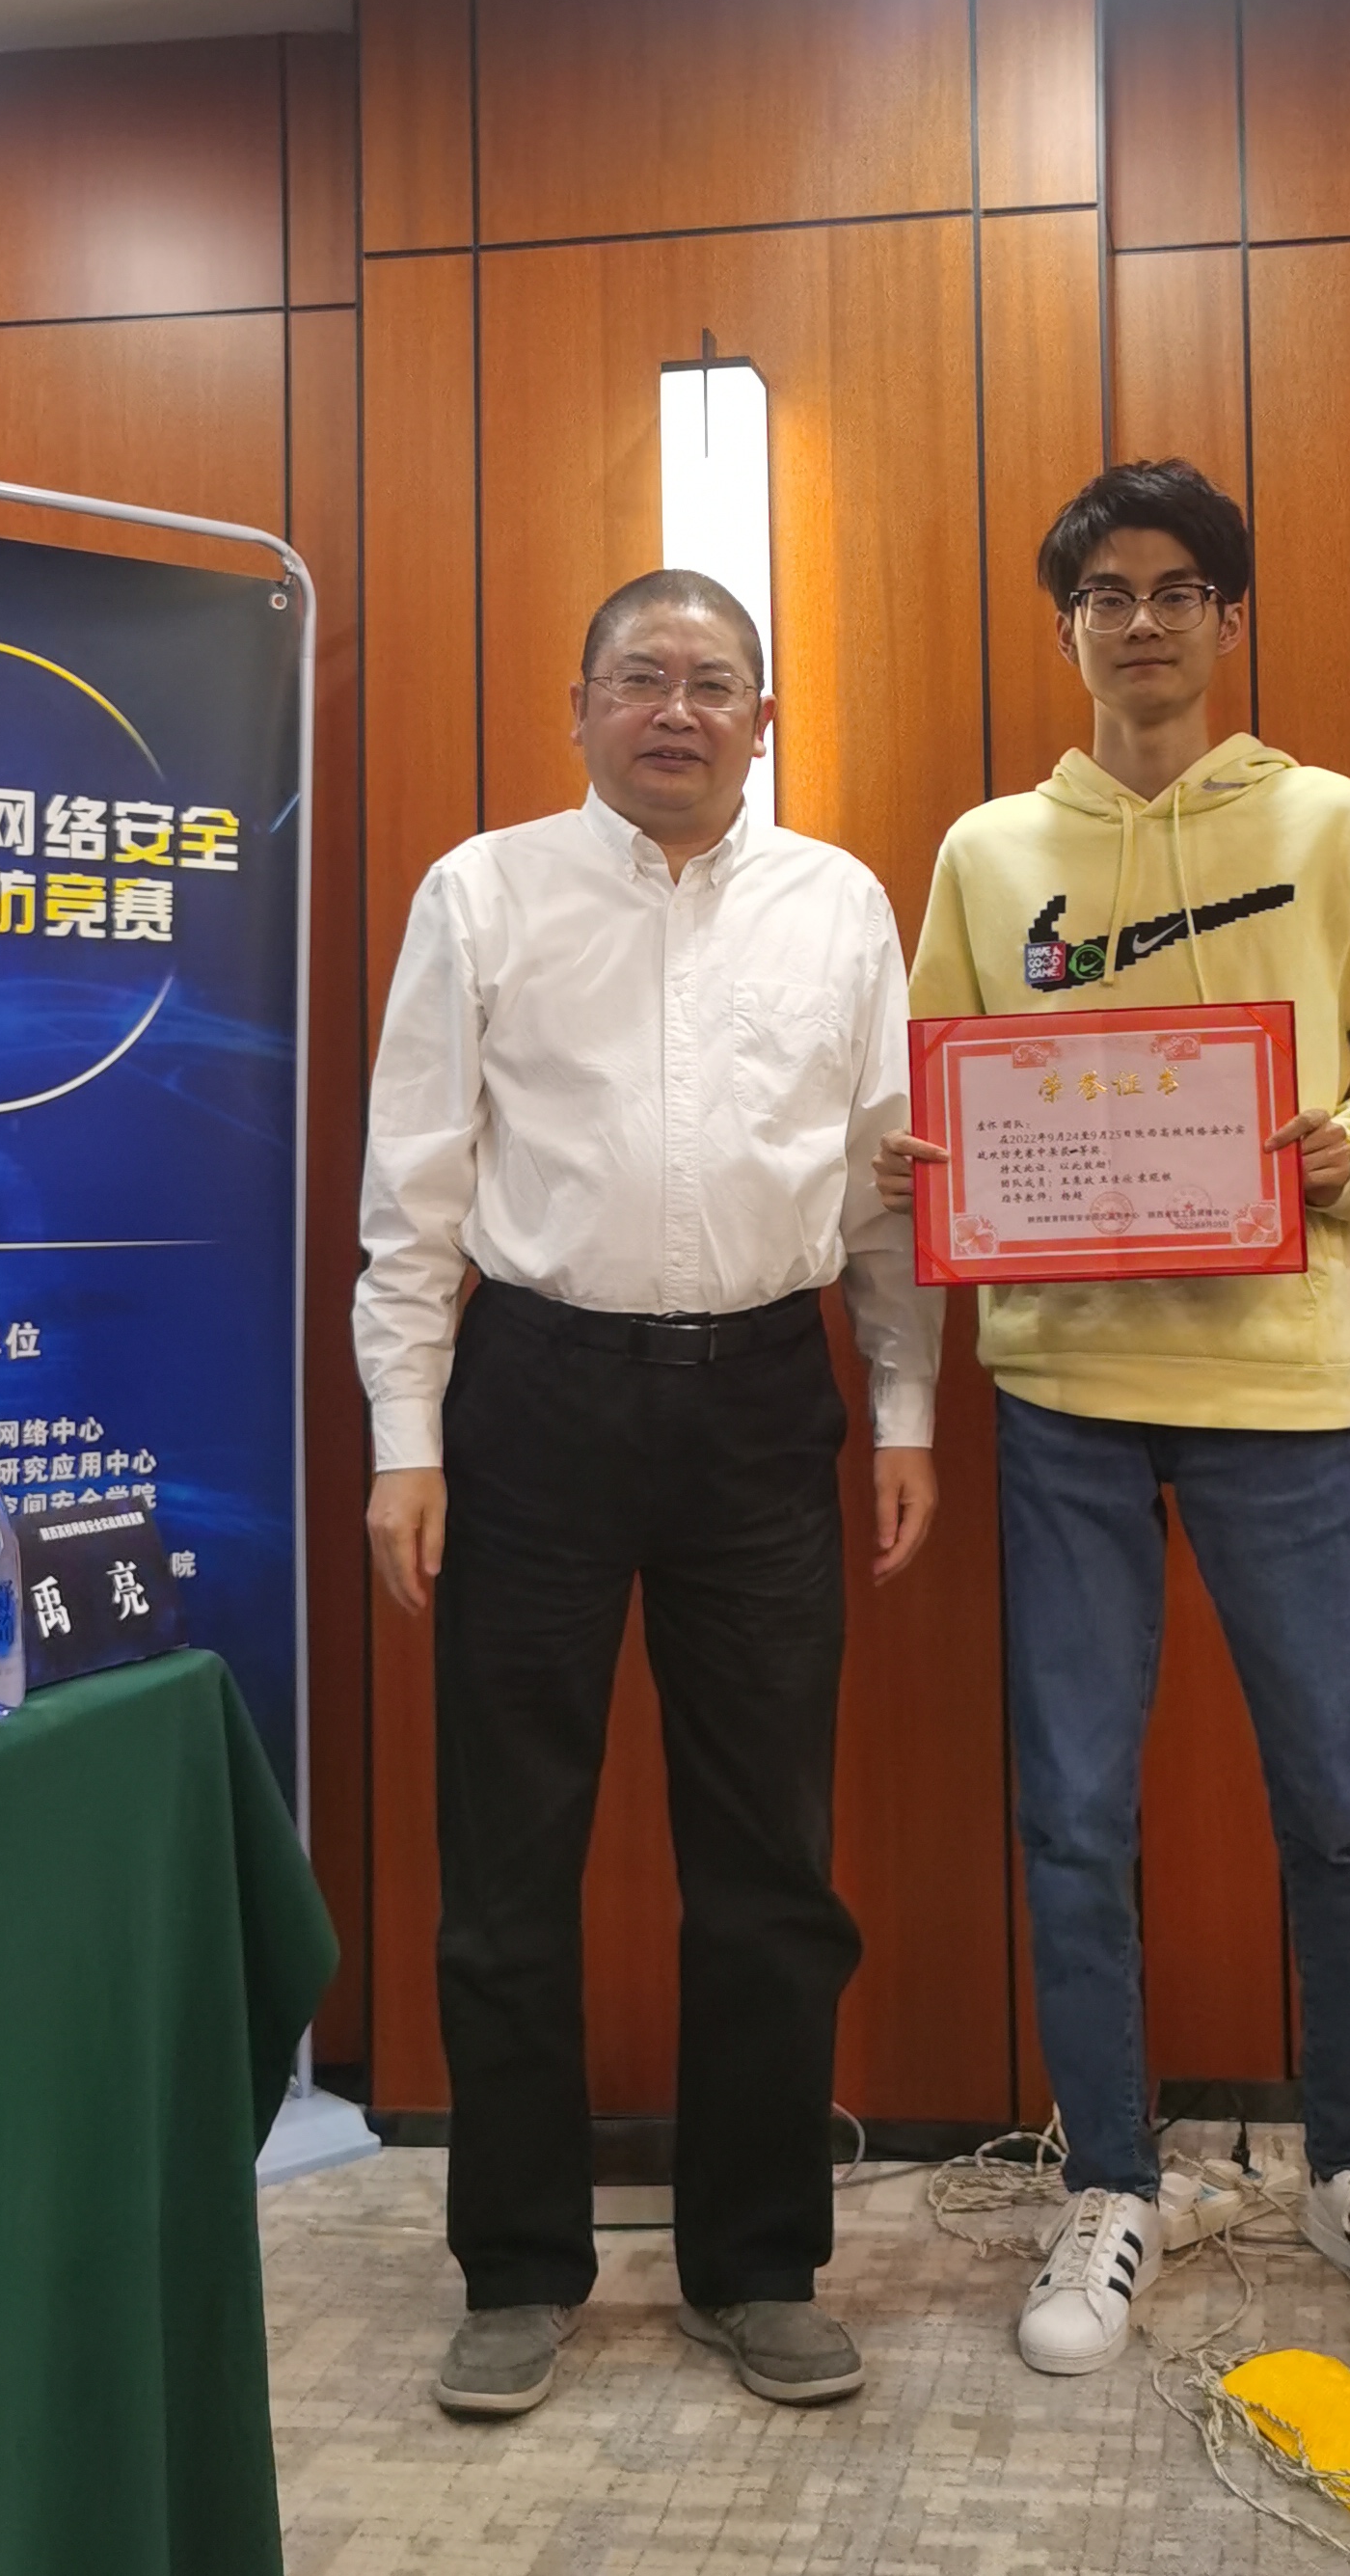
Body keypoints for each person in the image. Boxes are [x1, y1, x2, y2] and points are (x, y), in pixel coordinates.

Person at [882, 460, 1350, 2375]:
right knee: (1074, 1812)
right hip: (1062, 1388)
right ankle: (1109, 2182)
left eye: (1175, 591)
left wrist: (1347, 1154)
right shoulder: (991, 854)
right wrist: (924, 1166)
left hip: (1276, 1381)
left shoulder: (1325, 822)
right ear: (1066, 627)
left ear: (1228, 620)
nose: (1139, 623)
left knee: (1335, 1807)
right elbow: (937, 1096)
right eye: (1105, 595)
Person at [355, 569, 940, 2422]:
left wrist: (905, 1405)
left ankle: (757, 2265)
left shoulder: (839, 903)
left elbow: (886, 1184)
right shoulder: (483, 892)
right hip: (533, 1399)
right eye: (640, 677)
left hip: (764, 1400)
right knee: (506, 1861)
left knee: (770, 1864)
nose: (675, 710)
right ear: (581, 706)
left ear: (764, 719)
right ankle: (517, 2268)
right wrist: (405, 1437)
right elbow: (413, 1188)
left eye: (713, 682)